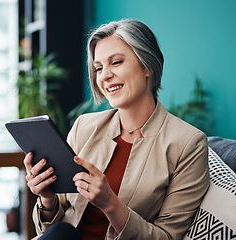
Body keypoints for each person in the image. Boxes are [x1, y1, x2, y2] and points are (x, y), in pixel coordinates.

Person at [24, 19, 210, 240]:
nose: (104, 76)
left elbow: (168, 237)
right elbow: (50, 230)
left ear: (148, 65)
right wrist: (47, 199)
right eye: (99, 68)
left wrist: (110, 204)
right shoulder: (84, 127)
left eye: (117, 62)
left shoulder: (188, 143)